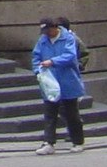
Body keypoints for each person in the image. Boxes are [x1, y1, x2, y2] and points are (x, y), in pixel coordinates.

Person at [32, 16, 86, 153]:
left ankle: (78, 142)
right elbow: (36, 57)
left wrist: (52, 61)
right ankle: (49, 142)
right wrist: (38, 71)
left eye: (48, 30)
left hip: (68, 80)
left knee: (71, 113)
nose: (46, 34)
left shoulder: (68, 38)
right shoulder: (42, 40)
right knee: (50, 113)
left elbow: (70, 55)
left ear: (54, 27)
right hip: (50, 82)